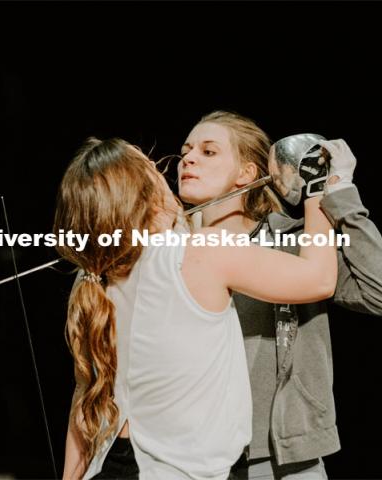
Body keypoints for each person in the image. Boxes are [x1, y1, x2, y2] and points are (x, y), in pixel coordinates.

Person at [55, 136, 337, 480]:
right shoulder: (202, 251)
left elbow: (83, 406)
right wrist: (319, 186)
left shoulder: (93, 278)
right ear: (146, 191)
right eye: (153, 169)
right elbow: (319, 278)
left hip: (110, 467)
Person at [177, 111, 382, 479]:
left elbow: (378, 292)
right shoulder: (168, 251)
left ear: (247, 174)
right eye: (186, 151)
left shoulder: (298, 243)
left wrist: (341, 196)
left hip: (283, 461)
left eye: (208, 152)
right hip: (190, 457)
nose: (187, 159)